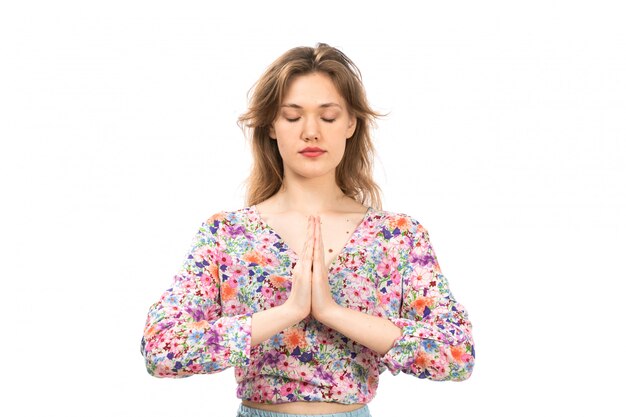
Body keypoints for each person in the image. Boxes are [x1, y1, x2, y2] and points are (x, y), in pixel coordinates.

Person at [140, 43, 475, 417]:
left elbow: (456, 353)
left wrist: (332, 312)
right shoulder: (227, 234)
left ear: (351, 124)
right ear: (271, 124)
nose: (311, 132)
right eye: (292, 116)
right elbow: (162, 348)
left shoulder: (396, 236)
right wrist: (289, 311)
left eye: (328, 117)